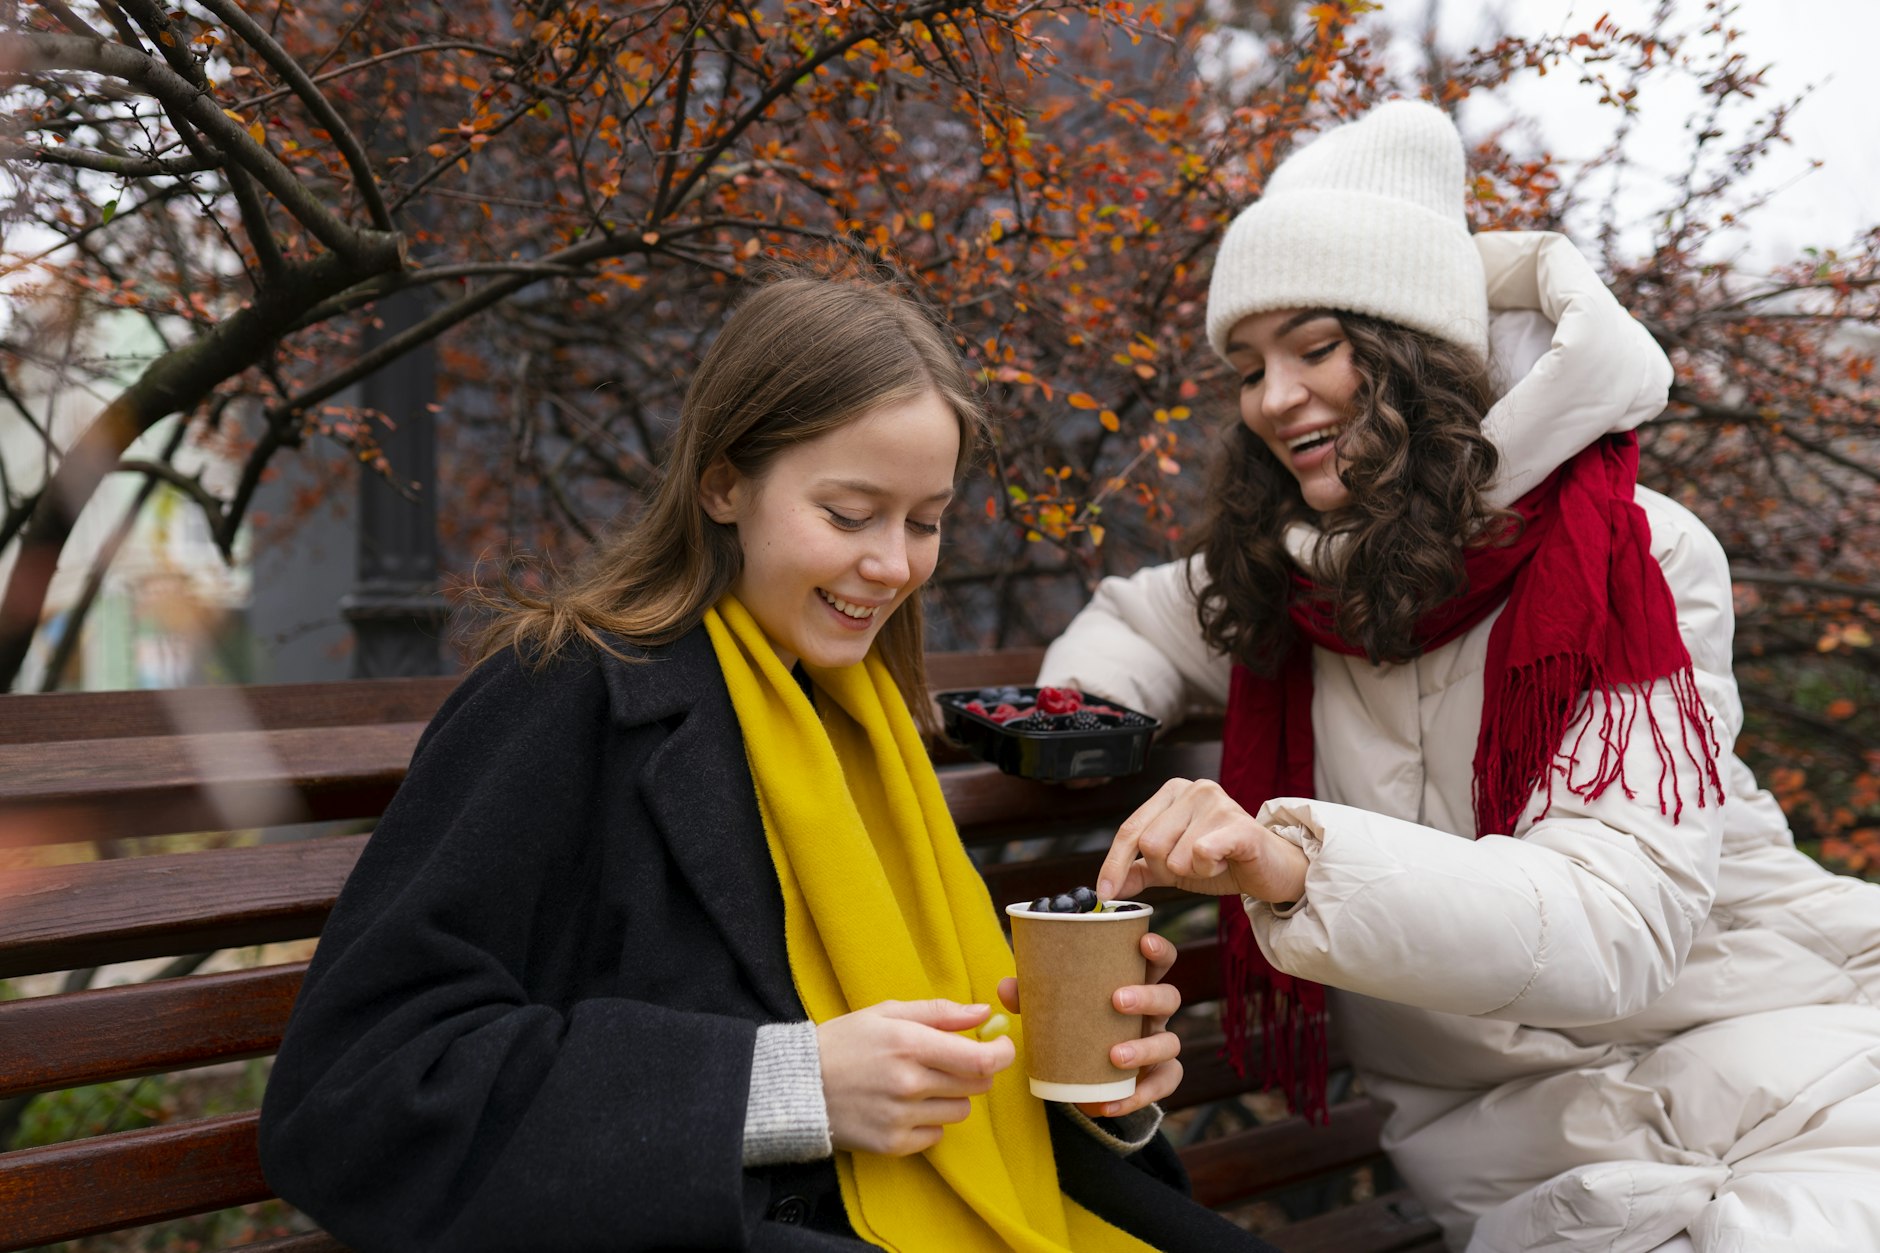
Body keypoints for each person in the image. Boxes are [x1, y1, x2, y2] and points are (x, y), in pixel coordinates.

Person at [259, 273, 1274, 1253]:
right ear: (723, 481)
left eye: (924, 521)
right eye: (847, 513)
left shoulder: (862, 723)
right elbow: (355, 1092)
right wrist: (784, 1085)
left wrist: (1101, 1102)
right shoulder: (563, 694)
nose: (892, 564)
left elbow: (963, 1099)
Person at [1038, 101, 1880, 1253]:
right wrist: (1074, 716)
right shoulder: (1282, 576)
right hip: (1518, 1137)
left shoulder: (1634, 556)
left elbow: (1612, 923)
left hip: (1782, 1049)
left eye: (1315, 347)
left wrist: (1295, 861)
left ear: (1415, 352)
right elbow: (1139, 619)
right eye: (1246, 366)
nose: (1272, 397)